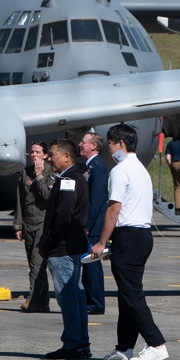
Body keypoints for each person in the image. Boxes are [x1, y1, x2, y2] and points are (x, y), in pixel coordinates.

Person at [91, 122, 168, 360]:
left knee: (132, 294)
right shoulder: (140, 169)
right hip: (141, 236)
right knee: (127, 294)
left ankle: (156, 343)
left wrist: (101, 241)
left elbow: (114, 210)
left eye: (111, 144)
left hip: (129, 236)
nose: (109, 149)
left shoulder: (120, 170)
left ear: (120, 144)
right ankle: (124, 347)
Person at [40, 138, 91, 360]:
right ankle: (80, 342)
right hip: (72, 246)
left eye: (52, 155)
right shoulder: (73, 177)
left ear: (66, 156)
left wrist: (48, 242)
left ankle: (73, 343)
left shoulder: (69, 180)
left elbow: (63, 217)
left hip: (63, 248)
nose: (49, 159)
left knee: (68, 298)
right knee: (76, 296)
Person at [14, 142, 53, 312]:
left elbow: (48, 197)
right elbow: (20, 200)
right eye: (32, 152)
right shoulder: (25, 172)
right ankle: (43, 301)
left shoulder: (51, 172)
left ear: (45, 155)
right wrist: (18, 224)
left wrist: (39, 176)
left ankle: (32, 298)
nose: (34, 155)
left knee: (37, 263)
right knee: (33, 262)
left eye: (38, 152)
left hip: (43, 223)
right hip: (28, 222)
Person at [79, 131, 109, 313]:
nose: (80, 144)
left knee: (92, 266)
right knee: (87, 266)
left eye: (83, 142)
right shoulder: (88, 166)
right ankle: (89, 300)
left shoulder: (97, 167)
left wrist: (88, 224)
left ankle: (96, 304)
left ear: (93, 146)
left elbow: (97, 200)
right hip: (89, 225)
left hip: (94, 226)